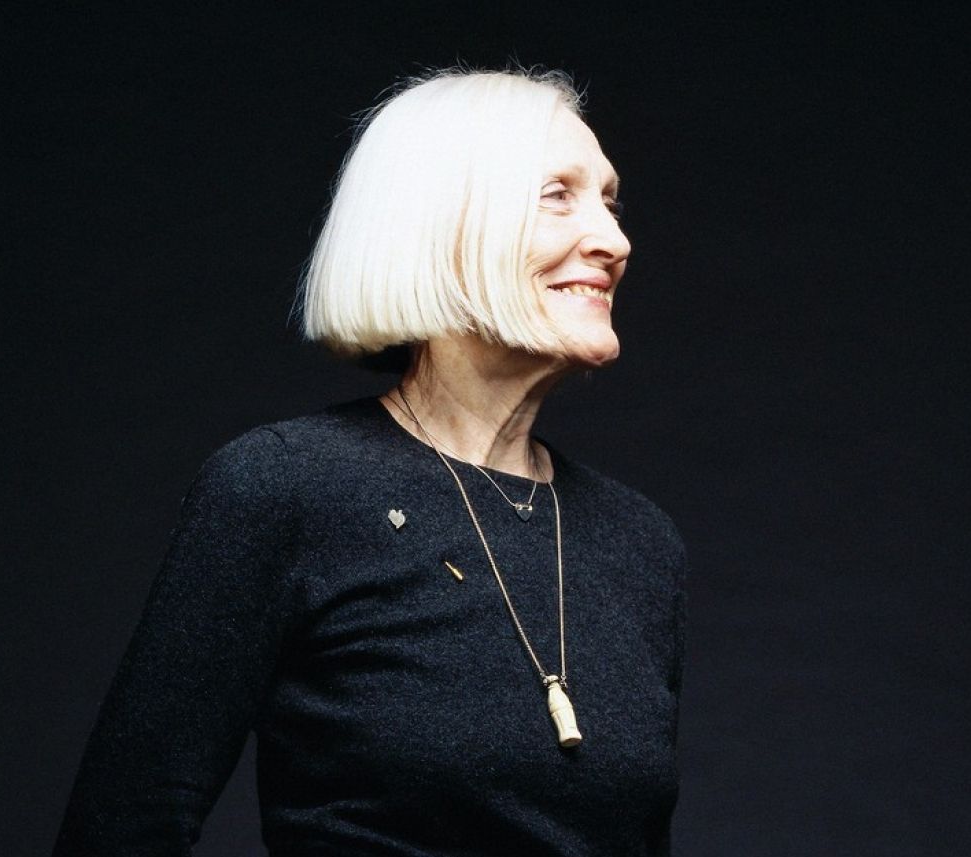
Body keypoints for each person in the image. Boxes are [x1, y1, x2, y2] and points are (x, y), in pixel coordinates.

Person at [54, 66, 688, 856]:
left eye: (610, 202)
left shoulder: (641, 543)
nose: (615, 242)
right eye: (557, 195)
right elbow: (121, 828)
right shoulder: (288, 488)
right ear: (437, 226)